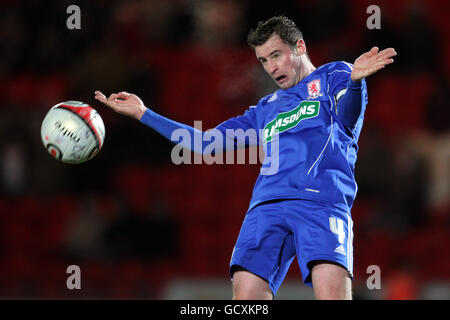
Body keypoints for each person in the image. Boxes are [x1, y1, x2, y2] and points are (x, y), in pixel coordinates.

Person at [95, 16, 396, 300]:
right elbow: (204, 143)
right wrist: (144, 114)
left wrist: (356, 82)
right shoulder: (264, 109)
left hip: (321, 202)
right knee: (246, 297)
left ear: (299, 47)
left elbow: (348, 118)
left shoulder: (335, 75)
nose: (270, 67)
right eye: (263, 60)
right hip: (266, 207)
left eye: (276, 55)